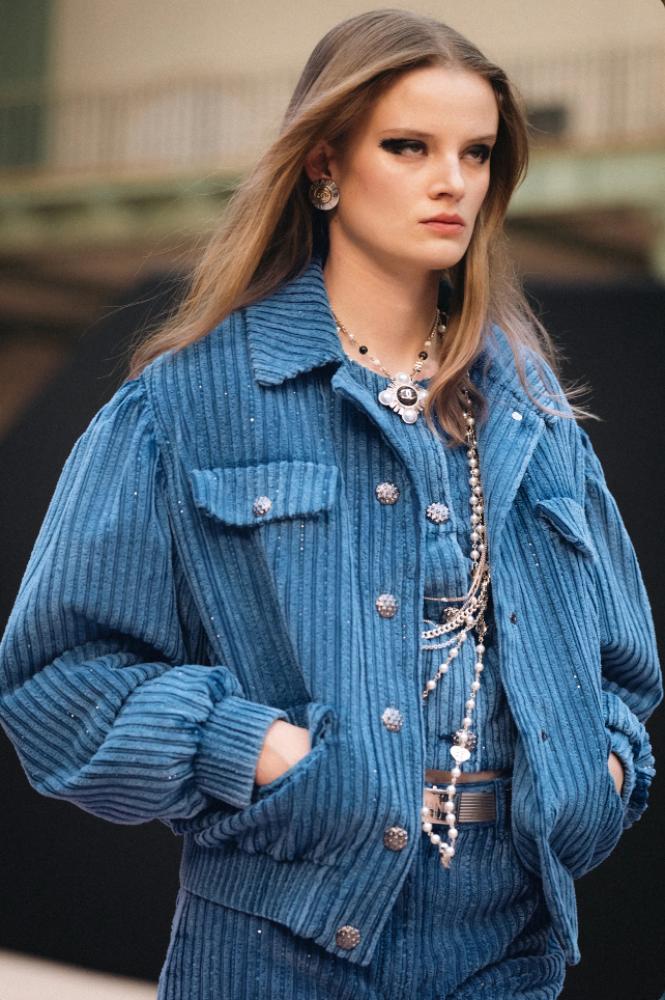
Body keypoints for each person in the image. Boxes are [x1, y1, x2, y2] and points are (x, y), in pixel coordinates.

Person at [0, 9, 661, 999]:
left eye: (476, 153)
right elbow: (57, 677)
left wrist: (594, 773)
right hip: (280, 942)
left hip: (509, 943)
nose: (451, 181)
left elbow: (621, 671)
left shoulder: (533, 414)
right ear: (323, 165)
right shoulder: (189, 402)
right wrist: (262, 751)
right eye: (408, 146)